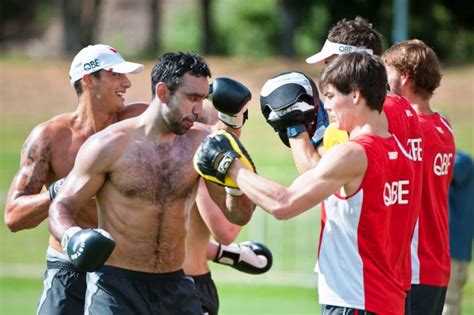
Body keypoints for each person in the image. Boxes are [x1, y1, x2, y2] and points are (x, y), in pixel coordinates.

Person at [196, 52, 415, 314]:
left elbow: (283, 204)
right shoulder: (401, 150)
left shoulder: (354, 154)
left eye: (332, 96)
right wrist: (297, 130)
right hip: (388, 300)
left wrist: (229, 163)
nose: (327, 106)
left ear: (355, 95)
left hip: (356, 301)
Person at [48, 51, 255, 314]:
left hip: (176, 285)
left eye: (203, 99)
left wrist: (236, 185)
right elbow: (61, 205)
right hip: (115, 288)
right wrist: (72, 236)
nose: (199, 110)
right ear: (162, 91)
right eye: (192, 98)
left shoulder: (203, 143)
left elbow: (237, 217)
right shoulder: (109, 145)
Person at [260, 17, 423, 313]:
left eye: (332, 62)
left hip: (361, 282)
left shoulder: (369, 119)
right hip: (394, 274)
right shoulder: (401, 109)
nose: (326, 72)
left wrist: (294, 128)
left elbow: (314, 178)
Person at [4, 44, 144, 315]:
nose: (127, 83)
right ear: (89, 80)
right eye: (116, 75)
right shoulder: (50, 137)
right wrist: (63, 189)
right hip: (68, 269)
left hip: (123, 270)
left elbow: (188, 121)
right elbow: (13, 216)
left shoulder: (136, 121)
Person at [184, 78, 273, 315]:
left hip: (182, 281)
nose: (235, 133)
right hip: (188, 286)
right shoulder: (200, 160)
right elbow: (226, 231)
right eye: (228, 125)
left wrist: (229, 255)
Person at [382, 39, 456, 315]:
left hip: (414, 264)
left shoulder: (410, 127)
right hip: (435, 262)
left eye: (386, 72)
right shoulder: (443, 125)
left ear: (404, 76)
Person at [443, 150, 474, 315]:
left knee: (449, 303)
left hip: (452, 247)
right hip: (451, 248)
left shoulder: (463, 161)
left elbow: (445, 171)